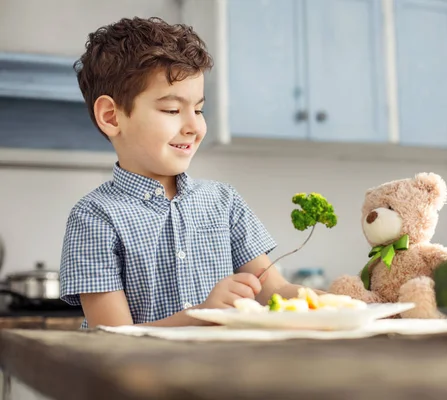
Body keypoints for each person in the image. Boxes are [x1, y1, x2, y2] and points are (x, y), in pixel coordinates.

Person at [60, 17, 307, 329]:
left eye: (199, 109)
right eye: (172, 110)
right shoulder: (94, 217)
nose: (194, 127)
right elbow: (111, 337)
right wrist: (203, 314)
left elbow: (278, 291)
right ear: (111, 116)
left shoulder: (224, 202)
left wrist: (353, 300)